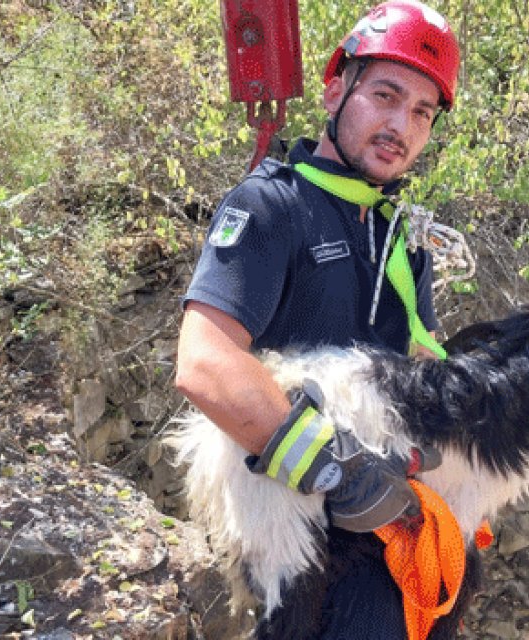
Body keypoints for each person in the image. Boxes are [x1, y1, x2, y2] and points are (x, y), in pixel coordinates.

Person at [174, 1, 463, 636]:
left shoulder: (400, 240)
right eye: (385, 95)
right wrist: (341, 467)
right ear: (337, 90)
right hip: (292, 534)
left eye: (422, 112)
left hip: (387, 531)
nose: (402, 125)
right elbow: (204, 362)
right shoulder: (272, 207)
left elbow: (420, 364)